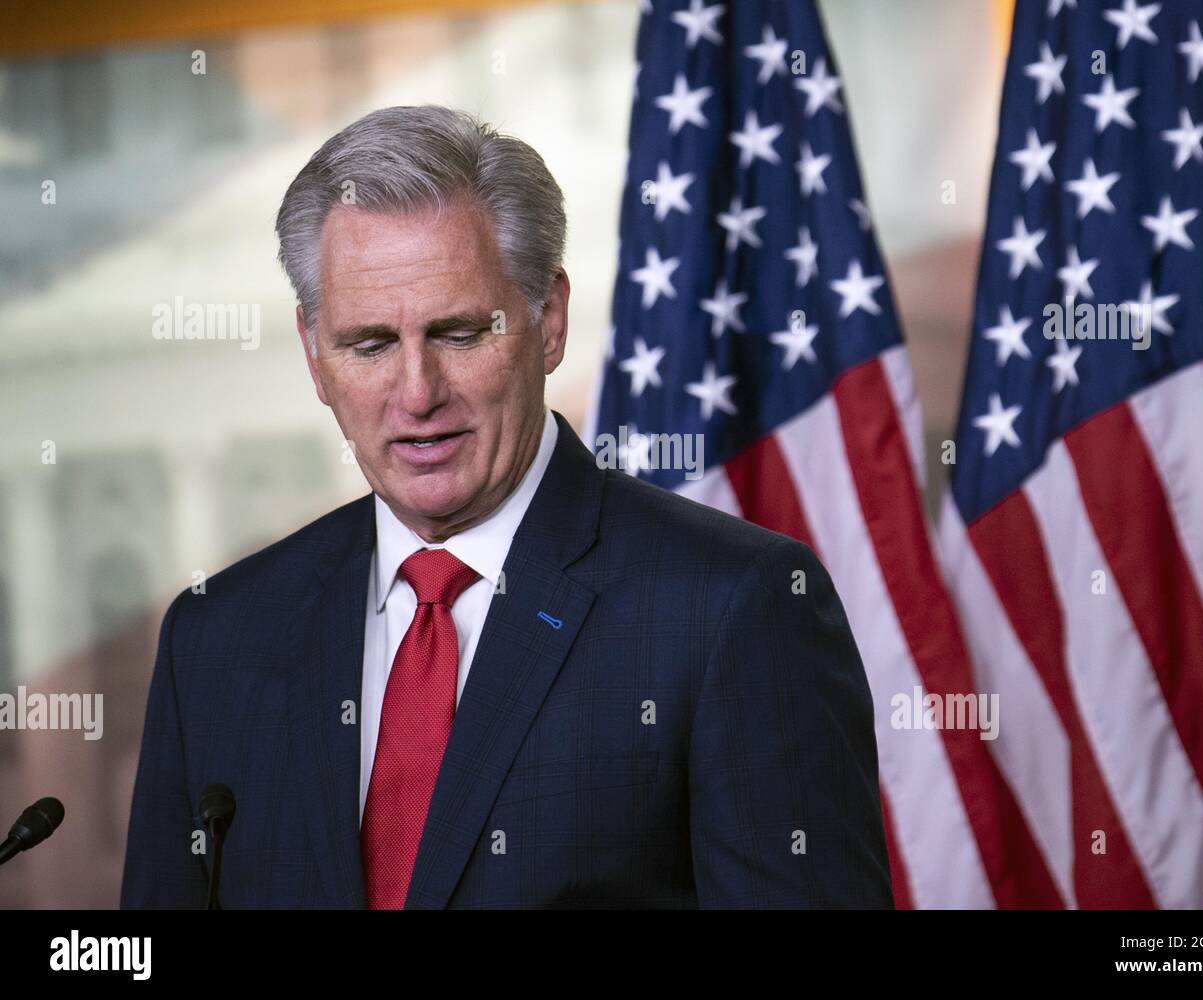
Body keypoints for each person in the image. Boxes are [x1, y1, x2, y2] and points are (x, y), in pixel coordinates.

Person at [120, 105, 893, 909]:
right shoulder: (217, 640)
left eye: (458, 333)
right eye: (371, 344)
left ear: (548, 322)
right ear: (315, 356)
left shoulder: (735, 608)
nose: (417, 394)